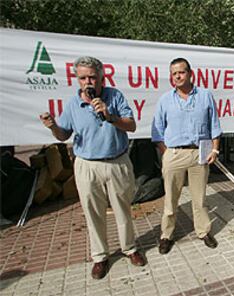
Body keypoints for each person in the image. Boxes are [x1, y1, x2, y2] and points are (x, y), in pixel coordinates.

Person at [40, 56, 145, 280]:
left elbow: (132, 125)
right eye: (83, 78)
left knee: (123, 209)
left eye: (92, 77)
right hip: (87, 166)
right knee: (92, 212)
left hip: (117, 162)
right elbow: (64, 135)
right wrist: (53, 127)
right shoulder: (72, 104)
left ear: (101, 78)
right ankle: (100, 257)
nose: (88, 82)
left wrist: (109, 116)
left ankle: (130, 248)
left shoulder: (115, 96)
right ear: (77, 80)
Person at [152, 58, 222, 254]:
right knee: (171, 199)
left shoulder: (205, 96)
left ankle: (203, 231)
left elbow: (214, 125)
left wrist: (215, 149)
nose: (178, 76)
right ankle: (166, 235)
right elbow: (157, 131)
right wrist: (167, 154)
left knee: (199, 199)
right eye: (174, 73)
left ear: (191, 74)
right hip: (174, 153)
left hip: (199, 153)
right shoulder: (165, 100)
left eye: (181, 72)